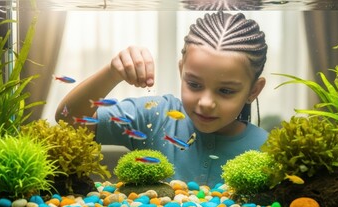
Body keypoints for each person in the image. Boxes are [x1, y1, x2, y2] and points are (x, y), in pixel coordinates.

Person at [55, 11, 268, 187]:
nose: (205, 102)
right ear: (181, 70)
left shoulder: (267, 149)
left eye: (225, 91)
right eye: (194, 85)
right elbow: (67, 118)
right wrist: (112, 74)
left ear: (253, 91)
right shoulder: (156, 115)